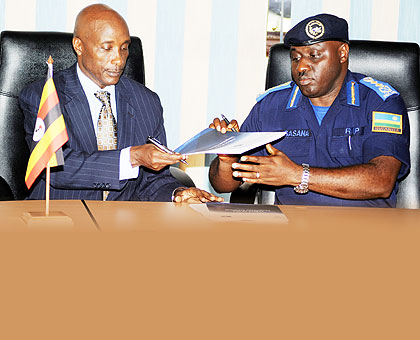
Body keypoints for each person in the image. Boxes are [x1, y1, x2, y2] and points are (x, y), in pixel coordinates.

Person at [20, 4, 222, 204]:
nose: (119, 59)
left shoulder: (146, 101)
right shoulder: (44, 95)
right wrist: (131, 158)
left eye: (124, 48)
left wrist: (176, 193)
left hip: (124, 224)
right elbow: (54, 167)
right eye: (107, 48)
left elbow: (153, 180)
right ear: (79, 46)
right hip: (61, 219)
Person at [209, 13, 410, 208]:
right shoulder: (272, 105)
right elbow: (225, 185)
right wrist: (227, 159)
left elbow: (381, 181)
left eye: (314, 56)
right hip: (292, 231)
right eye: (295, 58)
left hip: (364, 231)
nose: (301, 67)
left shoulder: (380, 101)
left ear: (342, 54)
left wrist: (297, 175)